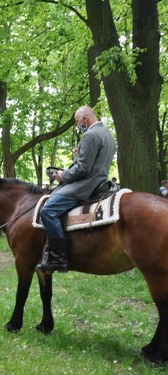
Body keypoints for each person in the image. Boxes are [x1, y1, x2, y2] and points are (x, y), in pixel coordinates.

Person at [38, 106, 116, 273]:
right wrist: (77, 155)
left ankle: (59, 259)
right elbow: (93, 162)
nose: (77, 125)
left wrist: (62, 175)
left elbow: (82, 169)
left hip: (85, 186)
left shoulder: (90, 135)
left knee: (48, 211)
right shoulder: (108, 134)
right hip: (100, 181)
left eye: (77, 122)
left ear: (85, 119)